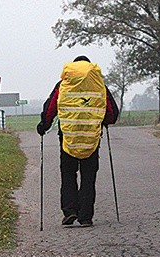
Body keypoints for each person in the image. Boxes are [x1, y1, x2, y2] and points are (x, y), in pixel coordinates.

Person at [36, 55, 119, 227]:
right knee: (88, 177)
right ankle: (86, 217)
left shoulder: (63, 85)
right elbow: (112, 113)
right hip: (91, 139)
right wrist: (102, 120)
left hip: (68, 139)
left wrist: (44, 124)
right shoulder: (99, 86)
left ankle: (70, 210)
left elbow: (51, 106)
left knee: (68, 175)